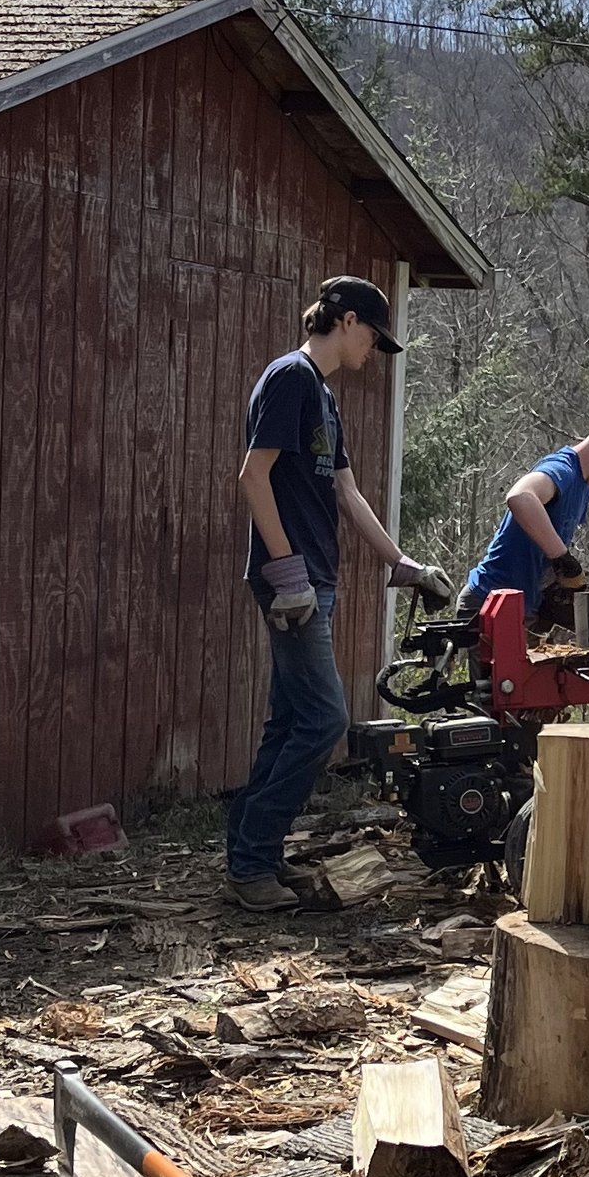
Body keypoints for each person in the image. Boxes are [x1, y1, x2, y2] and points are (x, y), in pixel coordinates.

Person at [229, 275, 443, 913]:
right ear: (346, 321)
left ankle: (254, 858)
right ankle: (250, 861)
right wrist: (285, 570)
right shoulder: (290, 377)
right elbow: (252, 475)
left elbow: (347, 494)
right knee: (323, 722)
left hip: (315, 582)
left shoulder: (321, 394)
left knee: (290, 721)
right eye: (375, 336)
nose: (375, 349)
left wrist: (401, 564)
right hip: (292, 585)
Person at [458, 415, 589, 627]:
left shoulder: (583, 489)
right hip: (489, 603)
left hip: (522, 610)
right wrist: (562, 557)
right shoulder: (563, 470)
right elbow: (520, 497)